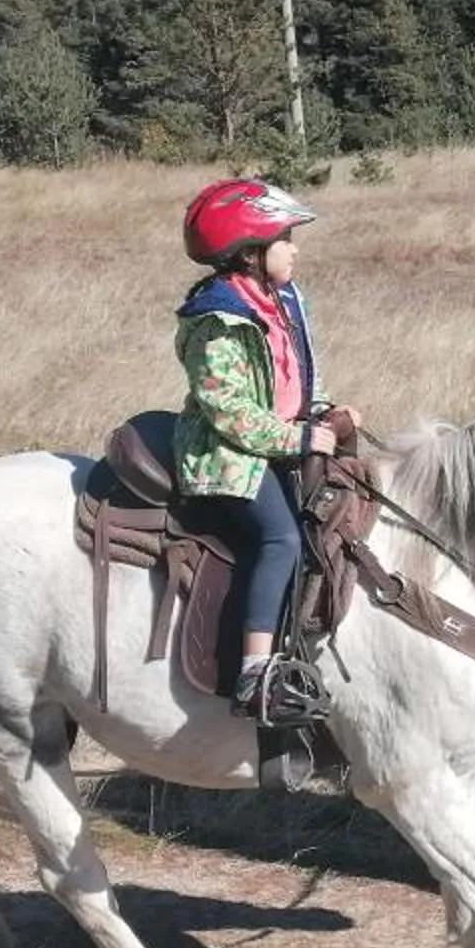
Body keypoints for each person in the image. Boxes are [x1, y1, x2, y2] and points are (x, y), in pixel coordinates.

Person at [175, 176, 339, 716]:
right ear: (249, 253)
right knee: (281, 538)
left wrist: (325, 411)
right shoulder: (218, 318)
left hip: (280, 443)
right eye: (285, 239)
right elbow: (230, 412)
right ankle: (256, 674)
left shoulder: (283, 298)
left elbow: (295, 378)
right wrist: (297, 437)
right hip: (229, 457)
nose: (294, 249)